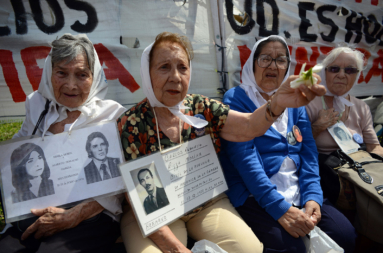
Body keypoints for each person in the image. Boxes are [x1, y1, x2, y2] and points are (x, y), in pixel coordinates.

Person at [117, 32, 326, 253]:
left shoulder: (201, 107)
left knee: (250, 249)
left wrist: (277, 104)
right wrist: (178, 249)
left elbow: (247, 127)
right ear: (147, 73)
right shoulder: (131, 122)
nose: (175, 77)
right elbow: (141, 200)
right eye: (164, 67)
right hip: (157, 216)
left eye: (182, 67)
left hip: (205, 203)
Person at [219, 35, 357, 252]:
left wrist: (313, 196)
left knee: (344, 234)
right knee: (291, 248)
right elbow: (244, 159)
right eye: (265, 58)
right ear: (252, 63)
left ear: (287, 67)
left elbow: (308, 152)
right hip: (256, 194)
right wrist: (280, 209)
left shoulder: (295, 100)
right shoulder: (236, 98)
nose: (273, 65)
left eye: (280, 60)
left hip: (298, 189)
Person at [0, 34, 126, 253]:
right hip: (37, 208)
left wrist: (73, 215)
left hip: (92, 215)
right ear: (50, 73)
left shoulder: (112, 115)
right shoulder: (38, 107)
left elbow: (123, 182)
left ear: (94, 76)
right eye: (61, 73)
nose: (71, 85)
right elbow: (18, 150)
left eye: (81, 75)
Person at [306, 47, 383, 156]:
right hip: (322, 168)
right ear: (324, 72)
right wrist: (317, 127)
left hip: (356, 167)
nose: (341, 75)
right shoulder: (308, 102)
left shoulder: (361, 106)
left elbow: (374, 146)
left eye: (349, 70)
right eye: (334, 69)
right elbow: (294, 145)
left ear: (356, 76)